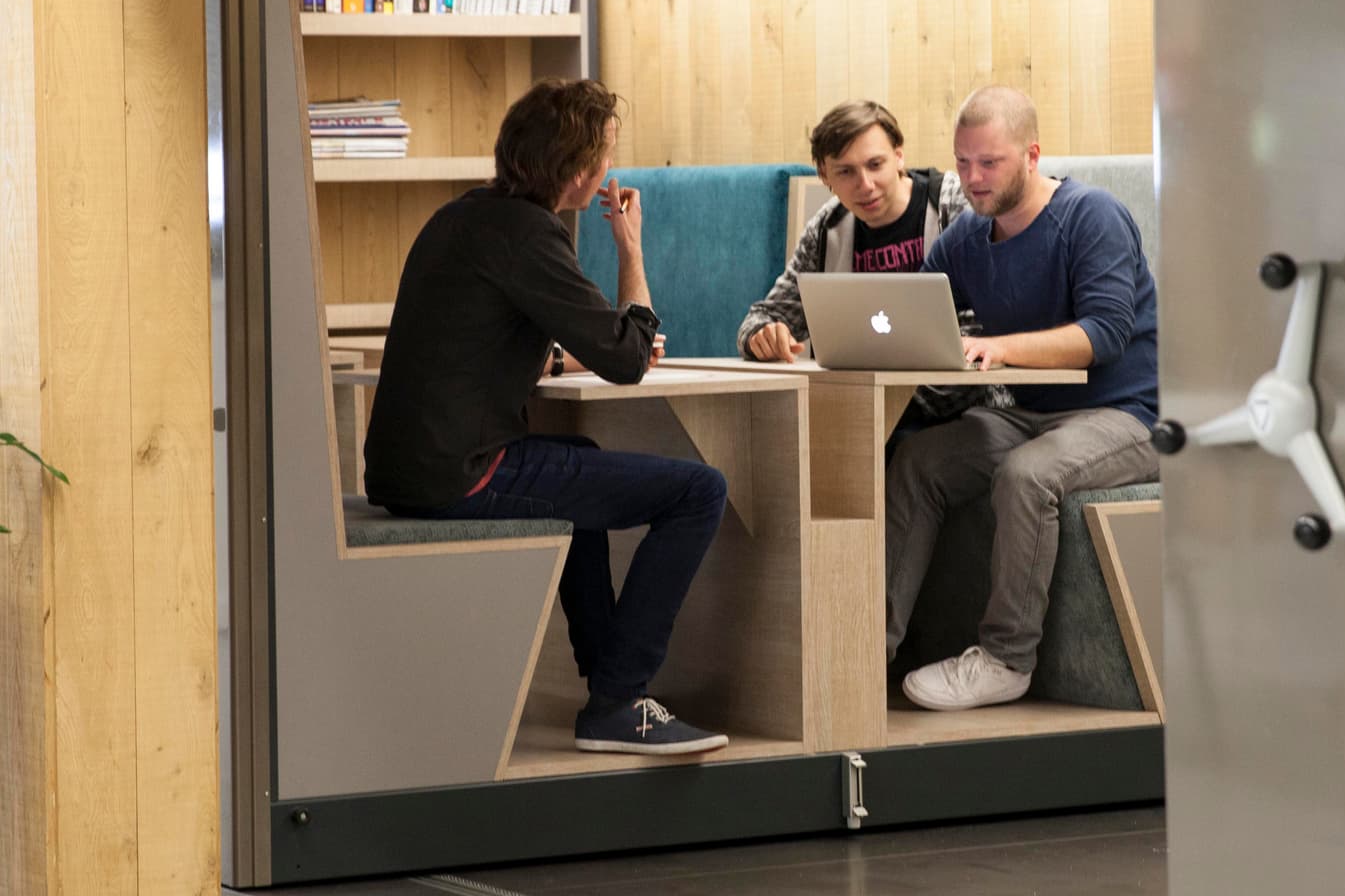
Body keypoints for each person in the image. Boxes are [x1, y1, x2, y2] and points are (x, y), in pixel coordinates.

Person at [363, 78, 730, 755]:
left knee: (580, 466)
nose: (606, 173)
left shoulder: (465, 216)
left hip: (404, 470)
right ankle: (621, 699)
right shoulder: (530, 233)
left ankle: (606, 683)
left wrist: (558, 362)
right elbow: (626, 358)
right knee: (699, 491)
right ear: (581, 169)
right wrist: (630, 248)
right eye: (605, 156)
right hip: (461, 478)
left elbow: (478, 343)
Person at [886, 85, 1159, 711]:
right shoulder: (966, 238)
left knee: (1026, 476)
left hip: (1129, 416)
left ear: (1032, 155)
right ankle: (866, 647)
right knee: (920, 462)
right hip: (1029, 415)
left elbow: (1106, 333)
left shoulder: (1092, 216)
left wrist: (1000, 348)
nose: (974, 179)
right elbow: (911, 312)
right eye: (962, 163)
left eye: (991, 162)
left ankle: (1008, 660)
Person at [735, 100, 1005, 427]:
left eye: (875, 164)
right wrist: (761, 336)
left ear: (899, 156)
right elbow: (765, 315)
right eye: (846, 172)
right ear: (824, 174)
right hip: (859, 407)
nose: (865, 185)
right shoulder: (827, 228)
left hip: (963, 409)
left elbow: (994, 324)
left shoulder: (955, 206)